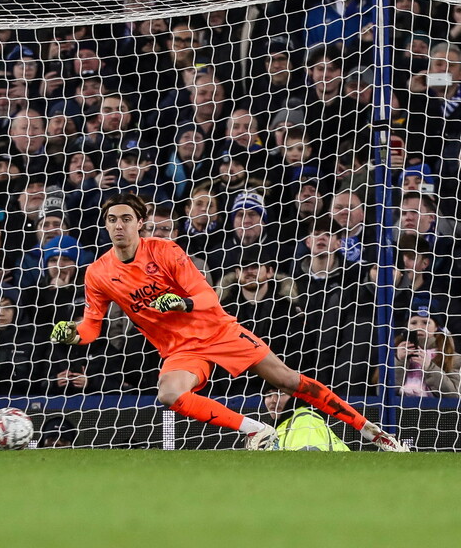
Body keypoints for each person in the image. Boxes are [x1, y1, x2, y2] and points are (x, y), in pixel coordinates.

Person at [49, 192, 408, 451]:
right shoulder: (97, 273)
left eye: (126, 218)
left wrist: (183, 301)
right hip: (181, 349)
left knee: (288, 380)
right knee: (170, 394)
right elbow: (91, 327)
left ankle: (374, 433)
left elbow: (207, 296)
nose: (119, 226)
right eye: (112, 219)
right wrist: (73, 335)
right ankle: (257, 431)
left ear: (140, 223)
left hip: (217, 330)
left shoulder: (165, 251)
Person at [261, 388, 350, 451]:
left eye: (281, 393)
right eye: (268, 395)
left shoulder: (305, 420)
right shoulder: (280, 427)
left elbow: (310, 462)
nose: (274, 400)